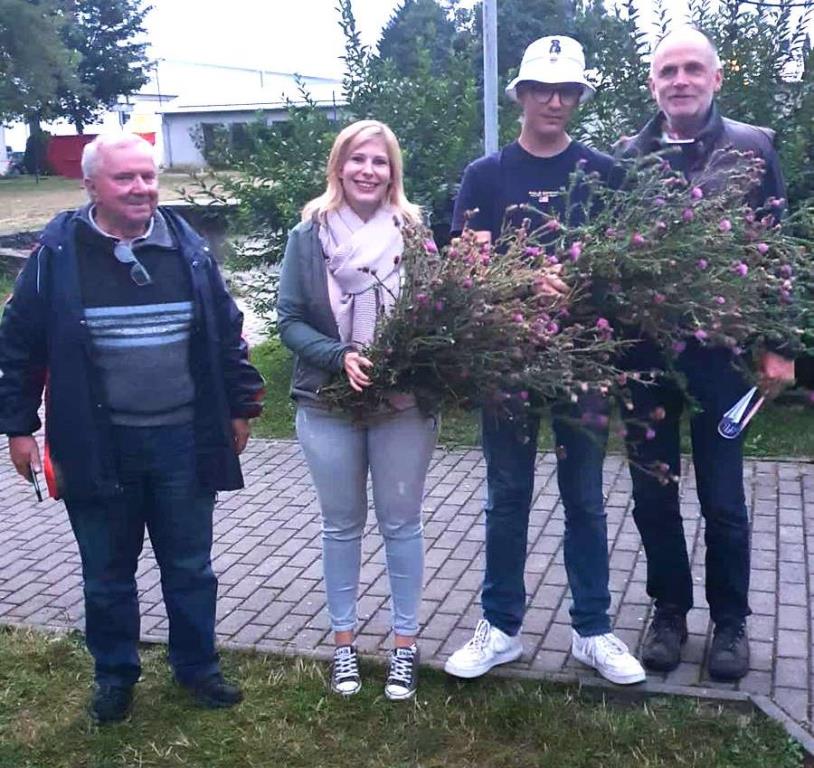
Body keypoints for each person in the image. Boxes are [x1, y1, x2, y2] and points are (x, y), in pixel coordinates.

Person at [0, 133, 265, 722]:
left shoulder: (188, 248)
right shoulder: (57, 256)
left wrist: (241, 405)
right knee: (107, 575)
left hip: (183, 442)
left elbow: (226, 331)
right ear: (91, 186)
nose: (142, 188)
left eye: (148, 176)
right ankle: (115, 677)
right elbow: (19, 344)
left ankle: (197, 668)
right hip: (96, 445)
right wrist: (18, 427)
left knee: (190, 569)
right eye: (125, 178)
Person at [443, 36, 646, 686]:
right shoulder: (486, 175)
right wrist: (526, 282)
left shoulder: (605, 174)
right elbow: (465, 271)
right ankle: (500, 627)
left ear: (578, 98)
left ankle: (593, 630)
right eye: (542, 90)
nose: (554, 101)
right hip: (506, 361)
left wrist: (580, 285)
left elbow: (626, 271)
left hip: (582, 363)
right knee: (507, 496)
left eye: (566, 91)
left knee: (584, 496)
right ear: (522, 96)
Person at [617, 27, 794, 680]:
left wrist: (780, 345)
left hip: (724, 360)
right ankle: (669, 611)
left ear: (716, 78)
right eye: (669, 71)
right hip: (645, 359)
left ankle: (731, 621)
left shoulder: (751, 148)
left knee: (723, 499)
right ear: (652, 84)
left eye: (694, 69)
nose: (681, 80)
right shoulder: (626, 157)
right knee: (652, 496)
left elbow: (780, 253)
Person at [277, 120, 437, 701]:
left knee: (402, 524)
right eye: (358, 159)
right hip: (326, 402)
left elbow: (434, 313)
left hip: (402, 405)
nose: (369, 170)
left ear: (393, 173)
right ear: (338, 167)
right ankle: (343, 644)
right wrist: (338, 355)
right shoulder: (308, 236)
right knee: (341, 525)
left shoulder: (415, 233)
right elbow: (289, 319)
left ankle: (404, 646)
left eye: (380, 161)